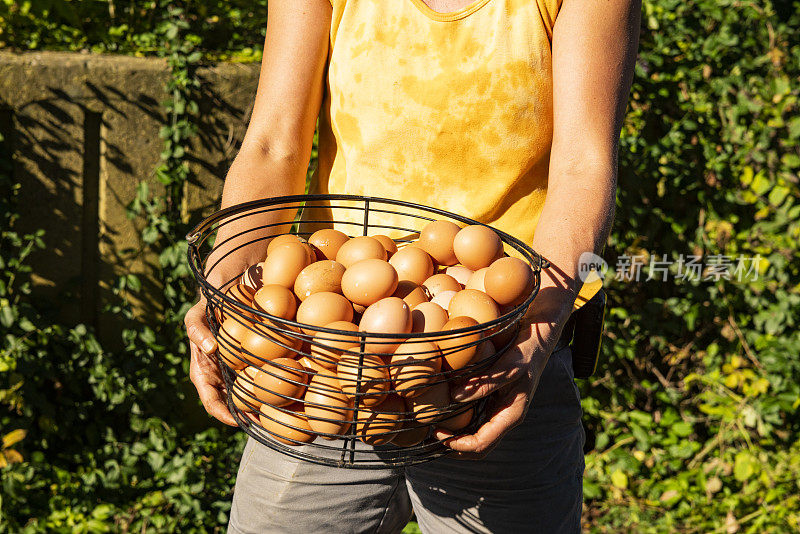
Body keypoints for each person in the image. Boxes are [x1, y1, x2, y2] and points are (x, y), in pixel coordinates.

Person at [184, 0, 640, 532]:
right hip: (329, 357)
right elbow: (271, 145)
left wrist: (537, 336)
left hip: (494, 361)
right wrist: (221, 296)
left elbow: (584, 163)